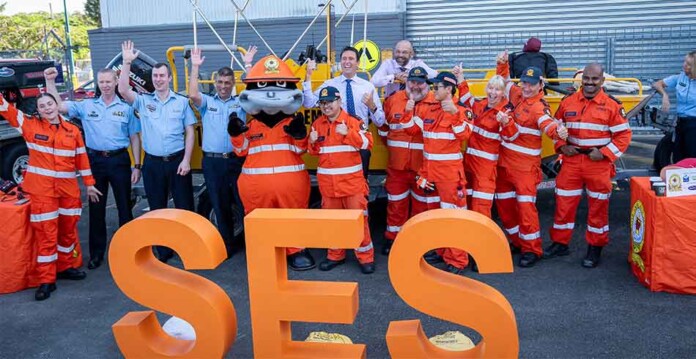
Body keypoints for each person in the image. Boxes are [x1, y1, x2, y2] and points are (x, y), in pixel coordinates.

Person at [0, 75, 101, 301]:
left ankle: (65, 267)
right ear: (37, 110)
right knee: (46, 235)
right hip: (42, 192)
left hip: (68, 192)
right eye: (42, 106)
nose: (46, 108)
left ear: (57, 105)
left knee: (67, 231)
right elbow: (5, 108)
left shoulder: (72, 130)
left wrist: (90, 185)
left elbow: (81, 159)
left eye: (49, 104)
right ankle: (47, 280)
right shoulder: (29, 125)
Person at [44, 67, 141, 270]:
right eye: (101, 82)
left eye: (108, 81)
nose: (105, 85)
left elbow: (134, 137)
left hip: (119, 161)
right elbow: (59, 106)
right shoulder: (87, 105)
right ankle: (96, 255)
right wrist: (50, 82)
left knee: (125, 208)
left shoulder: (126, 108)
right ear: (98, 83)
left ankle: (128, 251)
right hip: (94, 162)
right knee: (97, 209)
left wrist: (137, 165)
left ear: (116, 82)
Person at [230, 54, 316, 271]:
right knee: (259, 221)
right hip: (257, 192)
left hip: (291, 190)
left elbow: (301, 150)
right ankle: (262, 252)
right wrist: (235, 135)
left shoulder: (291, 123)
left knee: (293, 217)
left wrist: (298, 134)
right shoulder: (250, 126)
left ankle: (295, 250)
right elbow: (241, 152)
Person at [545, 63, 632, 268]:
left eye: (594, 79)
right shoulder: (568, 102)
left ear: (602, 81)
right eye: (586, 78)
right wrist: (561, 146)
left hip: (598, 163)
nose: (590, 83)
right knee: (564, 205)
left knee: (598, 207)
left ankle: (595, 248)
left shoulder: (612, 105)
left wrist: (603, 153)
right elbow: (556, 128)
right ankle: (560, 243)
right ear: (581, 79)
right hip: (572, 161)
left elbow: (623, 136)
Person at [118, 40, 197, 263]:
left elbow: (189, 132)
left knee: (184, 208)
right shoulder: (143, 101)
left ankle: (188, 248)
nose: (158, 80)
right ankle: (163, 250)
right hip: (152, 163)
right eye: (155, 76)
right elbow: (123, 89)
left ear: (169, 78)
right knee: (158, 209)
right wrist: (126, 63)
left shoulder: (181, 103)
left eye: (162, 76)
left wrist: (187, 160)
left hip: (177, 162)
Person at [493, 66, 568, 268]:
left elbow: (547, 123)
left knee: (526, 210)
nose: (526, 87)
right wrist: (502, 63)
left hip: (524, 169)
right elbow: (505, 81)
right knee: (505, 208)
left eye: (532, 84)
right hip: (504, 166)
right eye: (524, 82)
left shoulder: (538, 107)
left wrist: (557, 132)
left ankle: (532, 249)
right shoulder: (518, 94)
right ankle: (518, 242)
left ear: (540, 85)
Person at [188, 46, 257, 257]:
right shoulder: (208, 103)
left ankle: (253, 246)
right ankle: (227, 246)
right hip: (213, 163)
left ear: (233, 84)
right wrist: (195, 66)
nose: (223, 86)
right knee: (219, 204)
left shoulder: (240, 103)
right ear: (215, 83)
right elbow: (192, 93)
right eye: (220, 82)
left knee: (244, 203)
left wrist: (248, 65)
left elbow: (254, 94)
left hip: (237, 161)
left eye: (227, 83)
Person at [403, 72, 474, 275]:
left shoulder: (462, 111)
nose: (433, 90)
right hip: (431, 174)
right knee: (436, 216)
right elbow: (410, 130)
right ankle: (442, 251)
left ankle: (458, 259)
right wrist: (408, 112)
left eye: (437, 87)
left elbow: (465, 134)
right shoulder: (430, 111)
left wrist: (453, 113)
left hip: (451, 177)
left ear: (449, 89)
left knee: (454, 218)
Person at [308, 86, 375, 274]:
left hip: (352, 185)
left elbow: (368, 144)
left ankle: (365, 257)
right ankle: (335, 255)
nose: (326, 106)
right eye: (322, 103)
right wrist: (311, 142)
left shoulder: (353, 121)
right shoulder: (317, 124)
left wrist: (348, 134)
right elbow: (314, 152)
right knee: (332, 222)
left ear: (339, 102)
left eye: (329, 101)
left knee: (359, 221)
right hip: (329, 187)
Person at [379, 67, 440, 255]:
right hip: (397, 166)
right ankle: (393, 239)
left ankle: (419, 241)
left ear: (427, 84)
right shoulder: (392, 101)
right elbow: (383, 131)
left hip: (423, 168)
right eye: (412, 81)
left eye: (420, 82)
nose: (416, 86)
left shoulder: (436, 102)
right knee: (396, 203)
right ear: (406, 82)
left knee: (423, 205)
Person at [304, 46, 385, 178]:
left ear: (358, 63)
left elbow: (380, 121)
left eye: (351, 59)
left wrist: (372, 106)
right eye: (344, 58)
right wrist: (308, 77)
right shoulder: (329, 85)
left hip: (358, 143)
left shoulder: (367, 86)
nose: (347, 62)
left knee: (360, 186)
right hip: (335, 144)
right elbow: (308, 103)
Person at [653, 50, 696, 162]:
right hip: (681, 123)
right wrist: (665, 96)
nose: (684, 65)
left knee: (691, 158)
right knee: (678, 157)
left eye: (688, 64)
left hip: (694, 125)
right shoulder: (680, 78)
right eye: (684, 62)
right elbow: (657, 84)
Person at [371, 40, 438, 98]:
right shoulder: (388, 64)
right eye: (398, 52)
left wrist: (412, 76)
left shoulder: (417, 64)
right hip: (393, 102)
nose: (400, 55)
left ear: (411, 54)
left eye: (404, 52)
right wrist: (394, 77)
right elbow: (373, 81)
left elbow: (435, 75)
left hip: (415, 101)